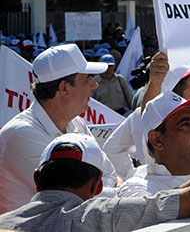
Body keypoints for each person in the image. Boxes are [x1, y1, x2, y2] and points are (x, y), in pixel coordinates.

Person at [0, 69, 190, 231]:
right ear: (96, 187)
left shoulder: (6, 223)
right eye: (184, 122)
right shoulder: (103, 215)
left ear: (37, 178)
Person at [0, 44, 119, 214]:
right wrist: (114, 190)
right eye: (87, 78)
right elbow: (74, 197)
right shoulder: (21, 134)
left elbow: (107, 172)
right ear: (64, 88)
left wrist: (106, 186)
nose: (94, 85)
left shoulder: (76, 123)